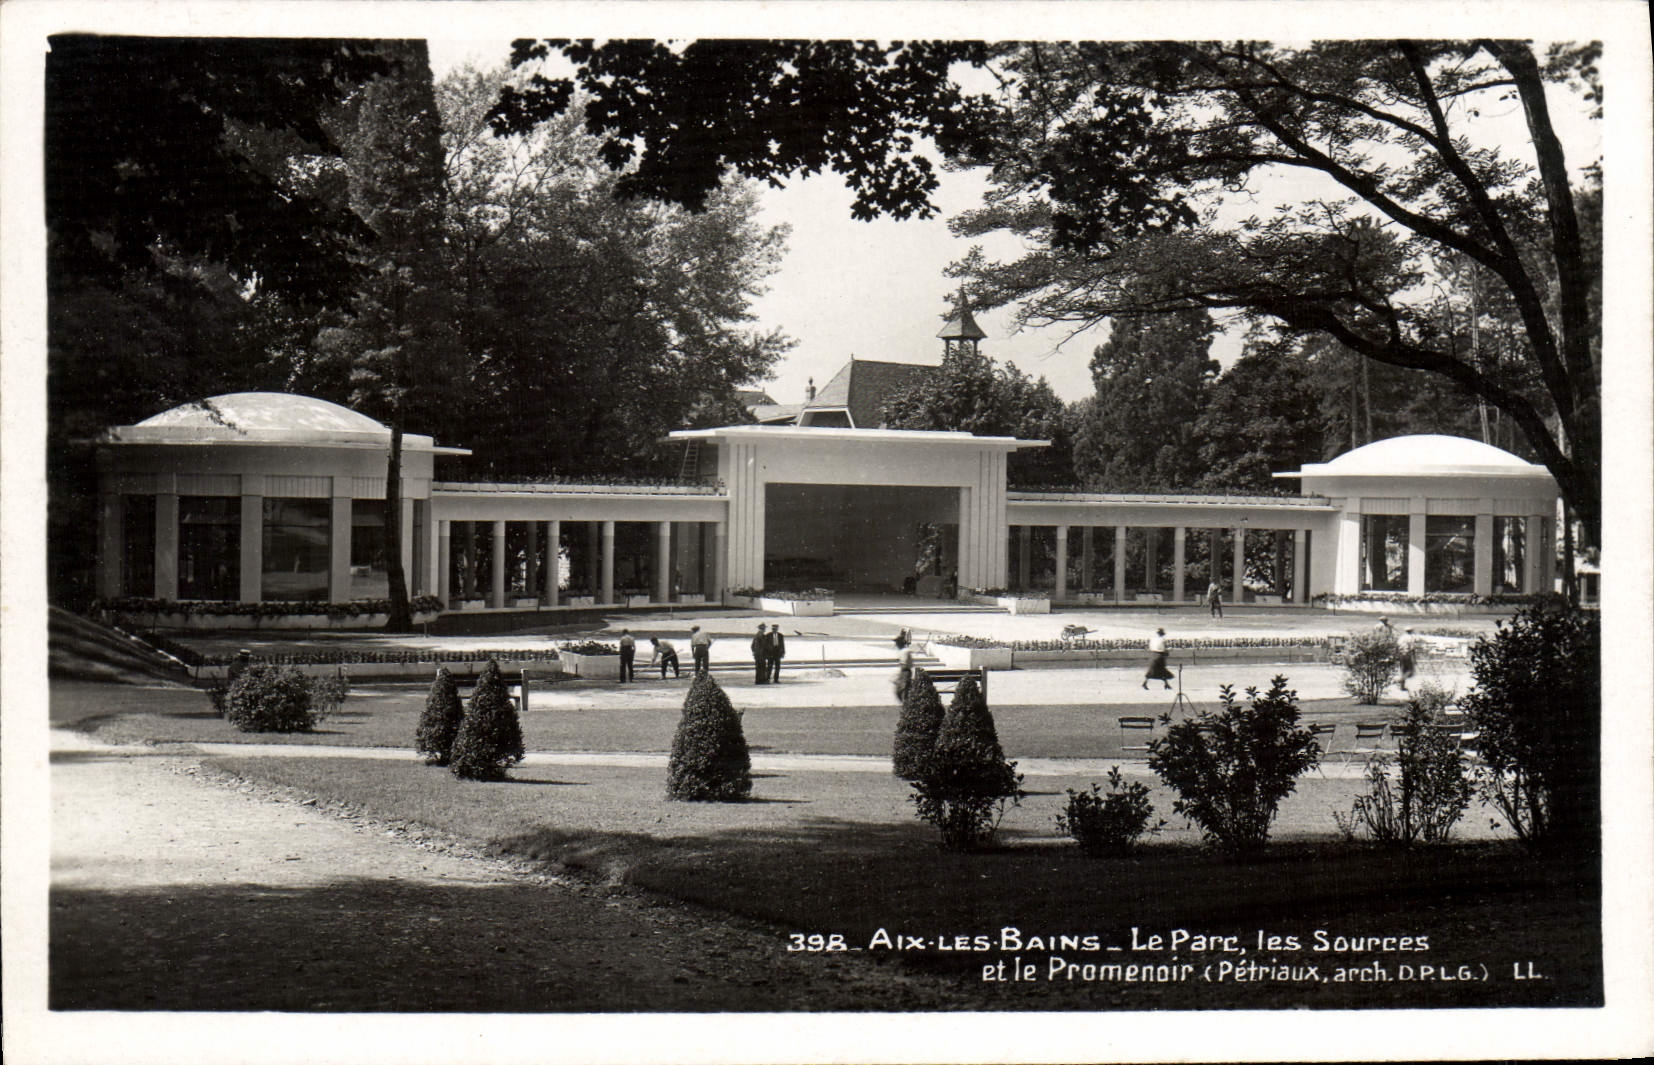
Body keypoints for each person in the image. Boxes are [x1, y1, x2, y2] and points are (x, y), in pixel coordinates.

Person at [893, 636, 915, 702]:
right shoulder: (902, 651)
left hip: (905, 672)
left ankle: (906, 704)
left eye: (897, 643)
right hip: (904, 671)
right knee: (900, 690)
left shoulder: (905, 651)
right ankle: (905, 704)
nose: (896, 645)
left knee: (902, 690)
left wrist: (898, 676)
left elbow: (904, 664)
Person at [1398, 627, 1417, 692]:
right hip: (1407, 654)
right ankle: (1401, 680)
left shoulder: (1401, 637)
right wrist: (1414, 658)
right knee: (1410, 670)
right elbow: (1412, 649)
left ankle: (1402, 686)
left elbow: (1398, 646)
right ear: (1411, 631)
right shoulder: (1411, 638)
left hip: (1400, 654)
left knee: (1403, 670)